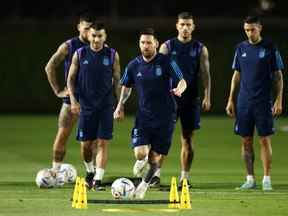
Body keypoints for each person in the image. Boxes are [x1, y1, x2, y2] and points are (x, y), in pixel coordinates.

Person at [114, 28, 187, 198]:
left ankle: (143, 186)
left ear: (156, 44)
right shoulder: (133, 65)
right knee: (141, 153)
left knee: (155, 158)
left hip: (166, 116)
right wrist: (120, 106)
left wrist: (179, 89)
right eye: (142, 42)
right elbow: (126, 87)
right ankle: (141, 160)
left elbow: (182, 80)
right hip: (144, 117)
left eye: (148, 42)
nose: (145, 46)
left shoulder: (167, 62)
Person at [226, 15, 284, 191]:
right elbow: (236, 74)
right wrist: (230, 99)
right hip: (244, 102)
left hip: (263, 101)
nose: (249, 33)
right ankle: (250, 179)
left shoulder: (269, 47)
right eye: (246, 30)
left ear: (260, 28)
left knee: (264, 139)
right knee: (246, 141)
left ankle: (267, 178)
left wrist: (279, 99)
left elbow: (278, 76)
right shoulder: (240, 48)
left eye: (252, 29)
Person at [159, 12, 211, 187]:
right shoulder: (167, 47)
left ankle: (184, 177)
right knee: (163, 137)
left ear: (193, 27)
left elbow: (205, 73)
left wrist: (207, 95)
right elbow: (158, 72)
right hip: (168, 100)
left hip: (190, 100)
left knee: (187, 139)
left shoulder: (199, 48)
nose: (185, 28)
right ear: (177, 26)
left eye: (188, 25)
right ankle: (155, 175)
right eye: (182, 24)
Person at [67, 21, 121, 190]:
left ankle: (97, 179)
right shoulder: (80, 53)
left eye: (100, 36)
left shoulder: (112, 55)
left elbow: (118, 81)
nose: (96, 39)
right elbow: (70, 79)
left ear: (105, 37)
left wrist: (119, 105)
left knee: (103, 143)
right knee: (86, 145)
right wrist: (74, 101)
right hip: (86, 106)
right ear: (88, 35)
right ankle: (90, 171)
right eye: (94, 35)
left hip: (106, 106)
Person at [45, 12, 93, 172]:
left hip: (92, 101)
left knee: (90, 141)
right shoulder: (69, 46)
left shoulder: (99, 46)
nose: (88, 33)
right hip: (71, 100)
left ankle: (92, 174)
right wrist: (58, 90)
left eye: (90, 29)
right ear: (79, 27)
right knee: (63, 134)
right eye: (85, 29)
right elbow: (50, 66)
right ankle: (55, 171)